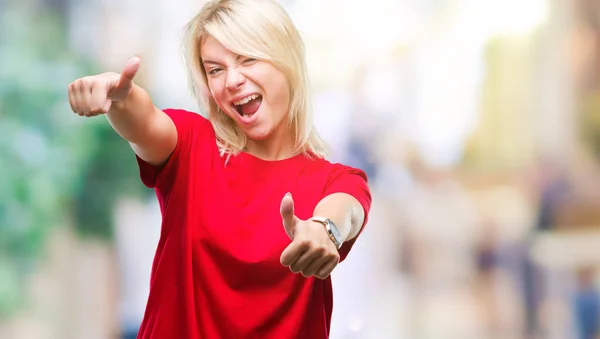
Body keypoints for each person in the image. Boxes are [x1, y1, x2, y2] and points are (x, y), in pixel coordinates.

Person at [67, 0, 371, 338]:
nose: (232, 80)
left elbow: (347, 209)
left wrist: (323, 229)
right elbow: (146, 121)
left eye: (248, 58)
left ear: (286, 59)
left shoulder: (336, 180)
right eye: (215, 69)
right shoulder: (190, 146)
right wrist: (118, 95)